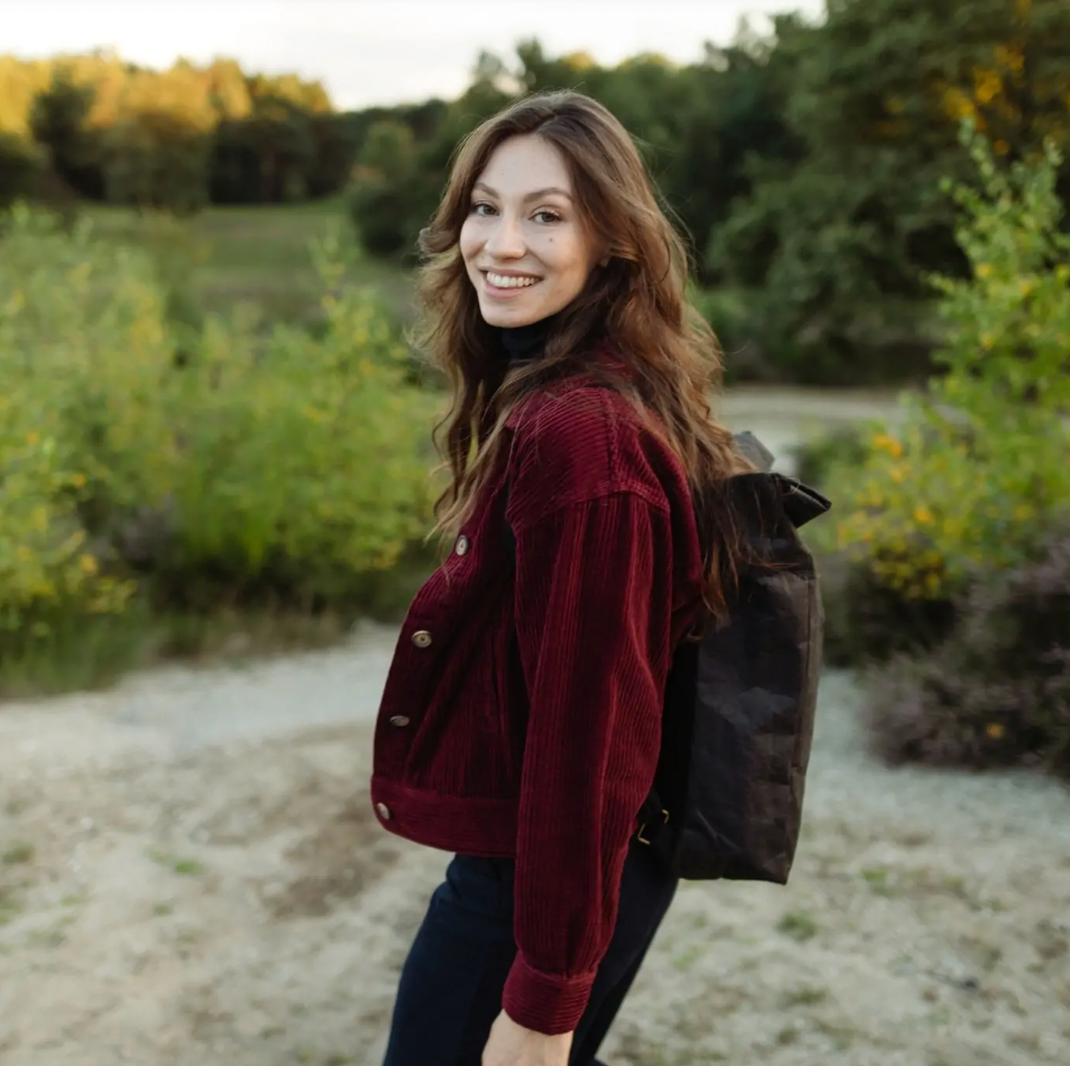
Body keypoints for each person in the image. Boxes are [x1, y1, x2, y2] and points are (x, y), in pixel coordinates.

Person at [371, 90, 754, 1066]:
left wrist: (542, 1004)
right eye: (484, 208)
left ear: (610, 241)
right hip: (564, 874)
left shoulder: (580, 438)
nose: (500, 242)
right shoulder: (587, 391)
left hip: (544, 883)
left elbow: (590, 741)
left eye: (545, 214)